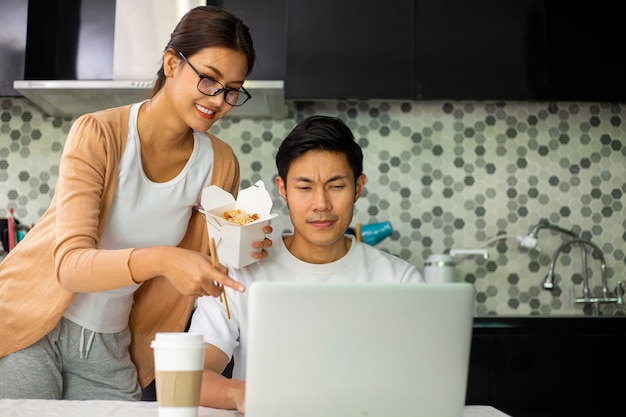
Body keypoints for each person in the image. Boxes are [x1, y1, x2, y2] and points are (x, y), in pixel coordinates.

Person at [0, 6, 272, 400]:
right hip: (32, 323)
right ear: (171, 63)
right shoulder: (99, 134)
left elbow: (214, 256)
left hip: (113, 343)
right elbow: (70, 267)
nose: (219, 100)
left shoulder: (220, 162)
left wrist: (244, 246)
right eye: (209, 80)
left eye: (233, 89)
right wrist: (162, 259)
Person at [188, 115, 425, 412]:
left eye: (336, 186)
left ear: (359, 187)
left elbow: (424, 381)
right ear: (283, 189)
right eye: (304, 187)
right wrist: (242, 395)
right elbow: (191, 377)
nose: (321, 204)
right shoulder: (240, 272)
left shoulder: (400, 280)